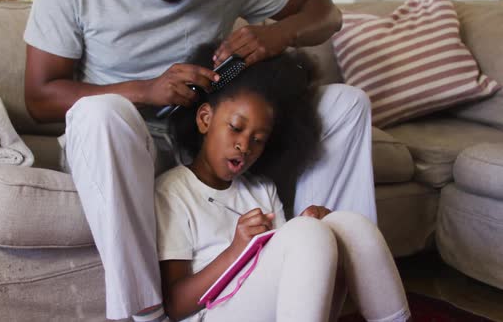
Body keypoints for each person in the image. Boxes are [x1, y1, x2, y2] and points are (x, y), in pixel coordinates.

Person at [23, 0, 376, 320]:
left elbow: (326, 12)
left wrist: (280, 34)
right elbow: (39, 98)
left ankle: (324, 275)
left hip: (202, 134)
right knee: (100, 114)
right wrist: (146, 91)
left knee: (347, 104)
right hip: (120, 143)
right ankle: (143, 314)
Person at [155, 46, 410, 322]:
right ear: (205, 119)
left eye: (258, 139)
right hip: (212, 312)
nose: (244, 145)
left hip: (270, 306)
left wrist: (312, 223)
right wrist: (236, 251)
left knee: (347, 224)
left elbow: (285, 256)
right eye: (236, 128)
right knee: (306, 233)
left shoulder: (260, 187)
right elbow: (176, 305)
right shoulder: (173, 191)